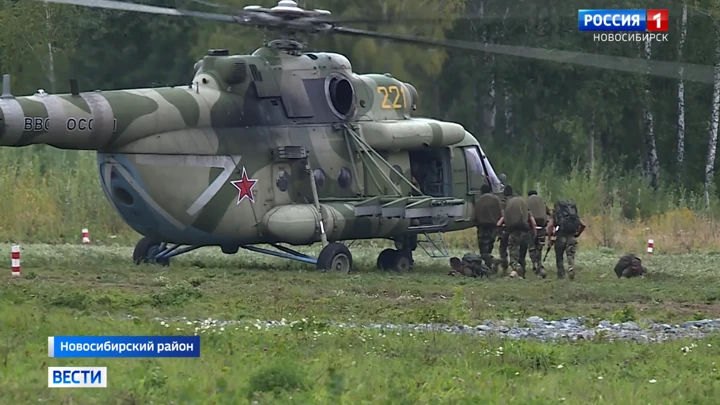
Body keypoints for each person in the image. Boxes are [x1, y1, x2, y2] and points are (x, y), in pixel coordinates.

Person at [496, 194, 537, 278]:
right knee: (522, 255)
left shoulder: (508, 211)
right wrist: (534, 233)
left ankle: (517, 267)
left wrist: (501, 233)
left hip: (514, 234)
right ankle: (522, 275)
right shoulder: (525, 210)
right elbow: (534, 223)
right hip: (525, 234)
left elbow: (498, 223)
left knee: (513, 256)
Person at [546, 200, 586, 280]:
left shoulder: (556, 214)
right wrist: (577, 234)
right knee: (570, 255)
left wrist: (549, 238)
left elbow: (550, 226)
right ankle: (571, 268)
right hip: (572, 236)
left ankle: (561, 275)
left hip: (560, 236)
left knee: (559, 256)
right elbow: (583, 225)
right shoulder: (573, 215)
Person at [472, 183, 502, 271]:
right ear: (490, 191)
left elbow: (473, 216)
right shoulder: (496, 199)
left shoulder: (478, 201)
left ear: (481, 192)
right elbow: (501, 213)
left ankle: (492, 261)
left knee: (483, 251)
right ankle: (490, 268)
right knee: (489, 247)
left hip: (482, 227)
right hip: (494, 227)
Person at [526, 190, 552, 278]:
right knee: (539, 247)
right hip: (542, 227)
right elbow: (550, 213)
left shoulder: (527, 202)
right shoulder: (542, 202)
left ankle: (535, 264)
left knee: (532, 247)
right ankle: (540, 264)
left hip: (531, 228)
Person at [496, 185, 514, 273]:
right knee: (513, 248)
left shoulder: (503, 202)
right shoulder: (515, 201)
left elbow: (503, 214)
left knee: (503, 248)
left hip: (504, 227)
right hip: (514, 227)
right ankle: (515, 265)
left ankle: (504, 265)